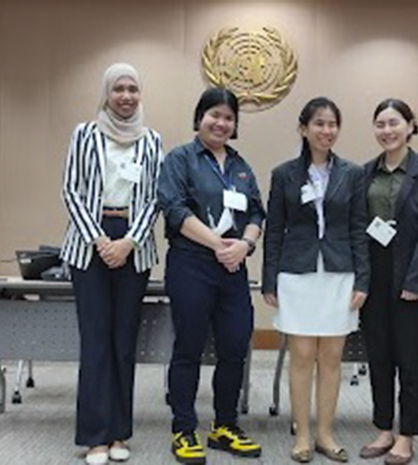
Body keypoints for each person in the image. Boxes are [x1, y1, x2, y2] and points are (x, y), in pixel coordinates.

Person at [60, 63, 162, 465]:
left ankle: (119, 433)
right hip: (90, 243)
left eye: (133, 89)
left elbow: (156, 196)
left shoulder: (152, 140)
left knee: (124, 342)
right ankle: (94, 437)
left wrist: (129, 241)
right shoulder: (84, 134)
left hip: (133, 243)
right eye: (118, 88)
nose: (126, 96)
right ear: (106, 93)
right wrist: (101, 240)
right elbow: (71, 190)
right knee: (96, 340)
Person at [157, 87, 265, 464]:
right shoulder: (180, 159)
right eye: (213, 115)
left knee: (235, 347)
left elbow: (256, 214)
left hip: (233, 268)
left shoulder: (240, 165)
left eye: (228, 117)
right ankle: (184, 428)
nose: (221, 123)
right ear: (199, 118)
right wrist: (219, 245)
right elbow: (173, 208)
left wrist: (244, 246)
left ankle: (224, 425)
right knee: (189, 347)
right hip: (191, 264)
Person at [262, 97, 369, 463]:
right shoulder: (284, 174)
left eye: (332, 124)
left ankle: (325, 432)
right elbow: (274, 229)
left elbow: (359, 229)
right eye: (319, 124)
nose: (327, 131)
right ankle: (303, 434)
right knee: (302, 355)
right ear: (304, 128)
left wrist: (363, 281)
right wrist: (269, 280)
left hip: (339, 272)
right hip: (297, 272)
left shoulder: (353, 174)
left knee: (333, 357)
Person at [358, 99, 418, 465]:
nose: (387, 130)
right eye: (380, 124)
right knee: (378, 357)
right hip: (374, 278)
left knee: (409, 360)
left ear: (410, 125)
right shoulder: (365, 173)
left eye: (394, 122)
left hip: (412, 278)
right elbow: (358, 227)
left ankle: (407, 434)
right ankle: (383, 428)